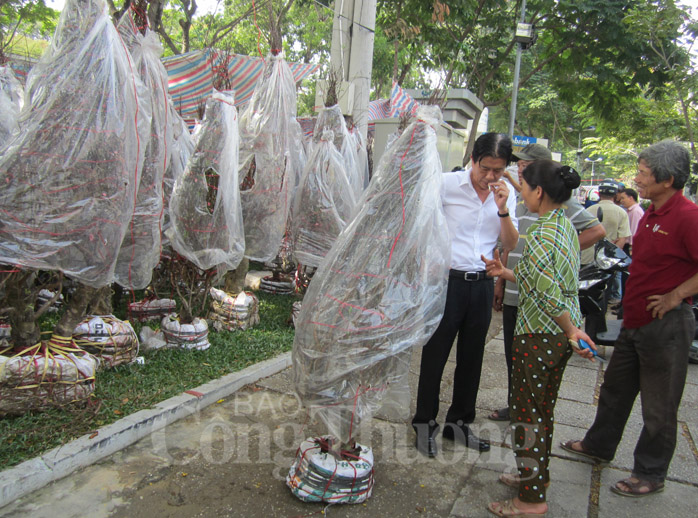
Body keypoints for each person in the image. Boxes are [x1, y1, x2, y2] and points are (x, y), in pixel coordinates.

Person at [561, 140, 698, 498]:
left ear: (667, 179)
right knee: (614, 390)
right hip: (635, 321)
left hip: (666, 326)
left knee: (659, 404)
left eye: (643, 173)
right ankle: (599, 444)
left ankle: (650, 473)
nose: (635, 179)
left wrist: (675, 295)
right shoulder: (653, 211)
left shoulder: (687, 216)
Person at [482, 159, 596, 517]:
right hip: (557, 337)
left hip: (541, 335)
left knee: (526, 416)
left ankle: (530, 501)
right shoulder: (561, 223)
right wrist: (506, 272)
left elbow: (547, 295)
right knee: (542, 411)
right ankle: (536, 477)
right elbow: (542, 278)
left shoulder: (544, 233)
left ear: (539, 192)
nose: (522, 194)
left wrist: (570, 329)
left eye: (524, 187)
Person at [412, 133, 519, 457]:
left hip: (482, 284)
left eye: (498, 171)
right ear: (473, 159)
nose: (491, 177)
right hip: (446, 282)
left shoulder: (506, 193)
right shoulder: (445, 184)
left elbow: (510, 244)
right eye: (486, 168)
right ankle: (423, 424)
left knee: (472, 359)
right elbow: (421, 223)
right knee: (435, 355)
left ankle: (458, 423)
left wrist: (502, 209)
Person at [489, 146, 606, 422]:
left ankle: (528, 434)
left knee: (534, 390)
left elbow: (546, 290)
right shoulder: (534, 209)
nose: (519, 169)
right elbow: (521, 257)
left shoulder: (550, 227)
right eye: (519, 166)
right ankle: (519, 406)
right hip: (521, 294)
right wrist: (503, 277)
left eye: (526, 166)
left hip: (542, 316)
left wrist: (570, 330)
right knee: (519, 369)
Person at [618, 187, 644, 255]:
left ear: (631, 198)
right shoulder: (630, 211)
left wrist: (631, 248)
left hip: (630, 247)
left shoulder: (635, 211)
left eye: (623, 198)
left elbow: (634, 230)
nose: (621, 201)